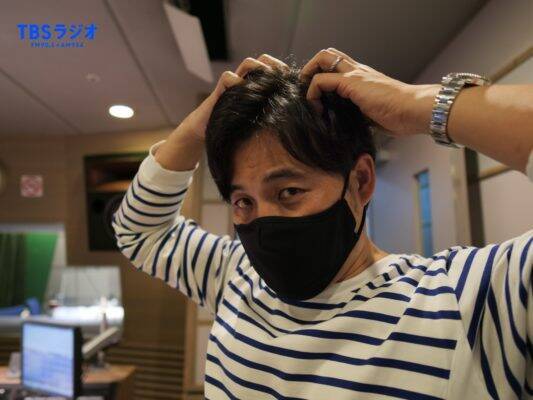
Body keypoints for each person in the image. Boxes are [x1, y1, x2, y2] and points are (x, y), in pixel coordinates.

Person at [112, 48, 533, 399]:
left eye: (289, 192)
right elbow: (138, 231)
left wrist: (420, 104)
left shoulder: (467, 305)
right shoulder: (234, 276)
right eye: (243, 201)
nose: (264, 221)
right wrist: (194, 130)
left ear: (360, 181)